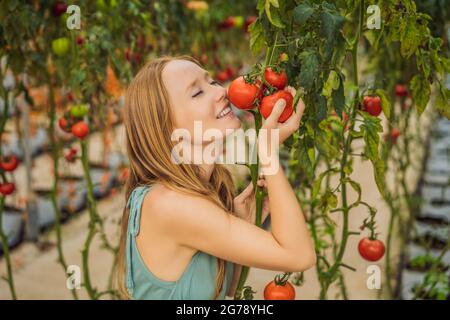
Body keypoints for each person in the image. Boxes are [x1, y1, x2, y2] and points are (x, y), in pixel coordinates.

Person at [116, 55, 316, 300]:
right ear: (166, 127)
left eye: (211, 81)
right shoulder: (171, 204)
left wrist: (245, 214)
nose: (221, 91)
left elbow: (222, 289)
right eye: (197, 93)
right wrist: (267, 153)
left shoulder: (189, 194)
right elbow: (299, 255)